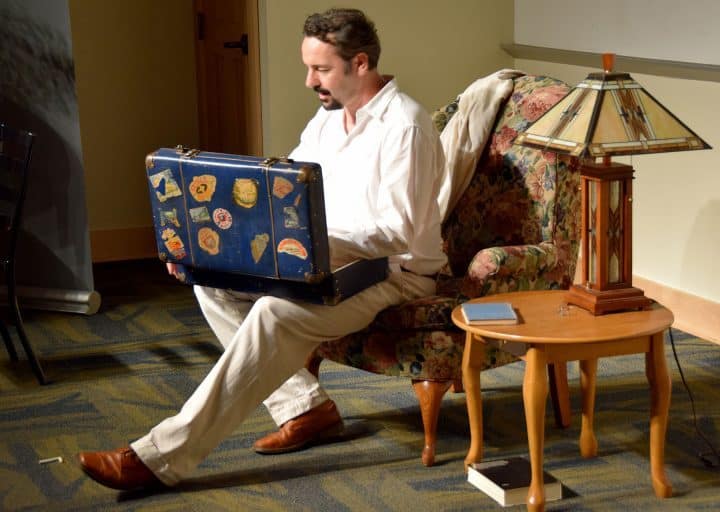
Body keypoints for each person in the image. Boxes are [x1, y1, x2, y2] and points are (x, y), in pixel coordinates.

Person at [77, 8, 447, 491]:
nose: (310, 81)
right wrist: (210, 253)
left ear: (360, 64)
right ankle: (304, 409)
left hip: (394, 275)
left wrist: (309, 247)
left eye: (321, 69)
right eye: (308, 67)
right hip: (324, 262)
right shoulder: (327, 121)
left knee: (273, 312)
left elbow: (395, 233)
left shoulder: (406, 126)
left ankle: (161, 457)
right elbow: (281, 193)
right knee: (211, 285)